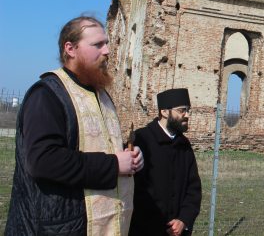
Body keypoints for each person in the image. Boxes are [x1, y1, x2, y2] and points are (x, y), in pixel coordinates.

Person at [6, 15, 144, 235]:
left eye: (106, 43)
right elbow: (42, 161)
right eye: (97, 44)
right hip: (61, 226)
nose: (107, 50)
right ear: (70, 49)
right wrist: (113, 164)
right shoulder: (47, 94)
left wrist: (132, 156)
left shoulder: (101, 95)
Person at [130, 88, 202, 236]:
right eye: (182, 110)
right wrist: (166, 221)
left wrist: (183, 220)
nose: (187, 115)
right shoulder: (142, 139)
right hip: (146, 229)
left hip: (178, 231)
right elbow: (139, 188)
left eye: (188, 110)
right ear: (164, 112)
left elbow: (193, 189)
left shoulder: (184, 145)